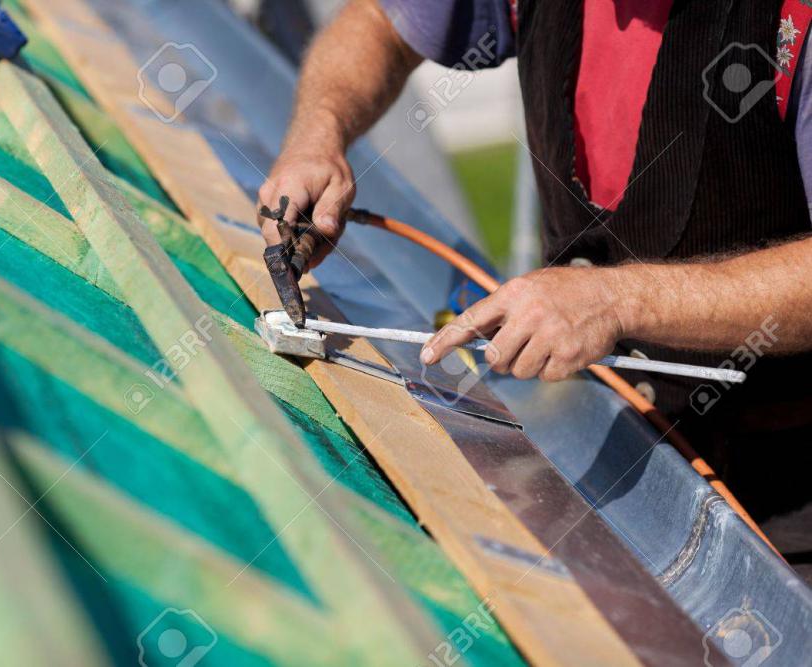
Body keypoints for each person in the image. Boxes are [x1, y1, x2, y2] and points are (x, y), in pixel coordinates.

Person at [255, 0, 812, 529]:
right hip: (593, 435)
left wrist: (622, 301)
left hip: (784, 487)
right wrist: (319, 133)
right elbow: (383, 20)